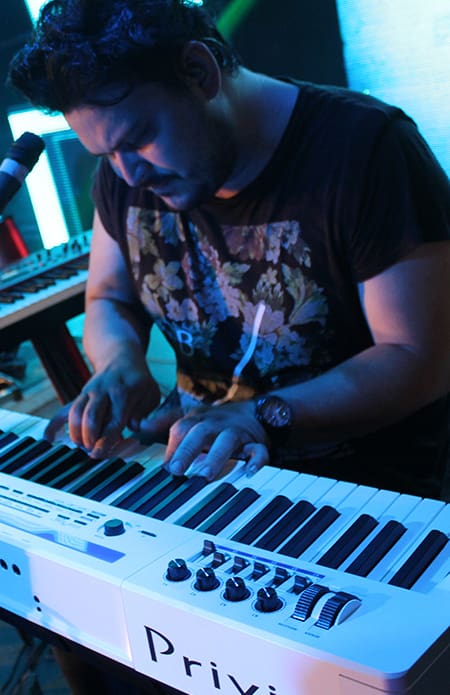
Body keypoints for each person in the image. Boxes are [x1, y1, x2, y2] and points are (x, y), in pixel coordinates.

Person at [8, 0, 450, 693]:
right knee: (84, 629)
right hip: (200, 476)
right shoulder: (124, 174)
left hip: (362, 503)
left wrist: (260, 416)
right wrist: (120, 362)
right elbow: (108, 299)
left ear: (200, 72)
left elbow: (419, 359)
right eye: (105, 155)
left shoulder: (365, 149)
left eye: (139, 138)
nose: (126, 175)